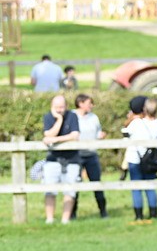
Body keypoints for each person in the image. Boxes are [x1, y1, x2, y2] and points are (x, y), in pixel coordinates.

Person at [41, 95, 81, 224]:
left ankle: (65, 220)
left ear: (66, 106)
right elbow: (48, 134)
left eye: (61, 107)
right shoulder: (48, 117)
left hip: (71, 159)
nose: (59, 110)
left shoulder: (73, 116)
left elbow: (75, 135)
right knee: (50, 190)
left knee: (69, 190)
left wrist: (55, 140)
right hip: (53, 159)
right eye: (56, 107)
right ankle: (50, 219)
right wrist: (59, 120)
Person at [125, 97, 157, 221]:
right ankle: (153, 213)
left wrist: (130, 118)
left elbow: (125, 134)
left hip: (135, 158)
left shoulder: (136, 123)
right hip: (151, 159)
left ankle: (139, 215)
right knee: (150, 186)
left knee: (136, 187)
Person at [72, 94, 107, 219]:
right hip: (76, 155)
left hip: (91, 154)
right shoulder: (72, 116)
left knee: (96, 183)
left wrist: (100, 135)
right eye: (89, 103)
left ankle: (103, 211)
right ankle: (72, 213)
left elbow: (97, 131)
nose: (91, 106)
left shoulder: (94, 118)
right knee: (75, 184)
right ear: (80, 104)